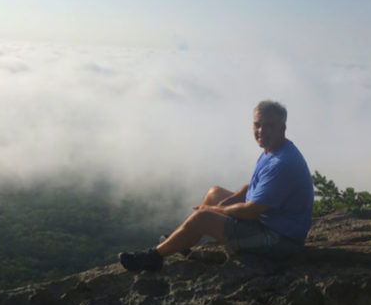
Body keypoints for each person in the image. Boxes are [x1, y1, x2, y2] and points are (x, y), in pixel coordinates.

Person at [119, 100, 314, 272]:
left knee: (203, 217)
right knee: (215, 193)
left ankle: (153, 257)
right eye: (257, 124)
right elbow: (254, 187)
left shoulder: (282, 163)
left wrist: (217, 210)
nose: (261, 131)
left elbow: (252, 211)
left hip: (280, 240)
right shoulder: (273, 150)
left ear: (282, 128)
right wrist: (227, 201)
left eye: (269, 126)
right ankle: (182, 242)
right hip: (268, 223)